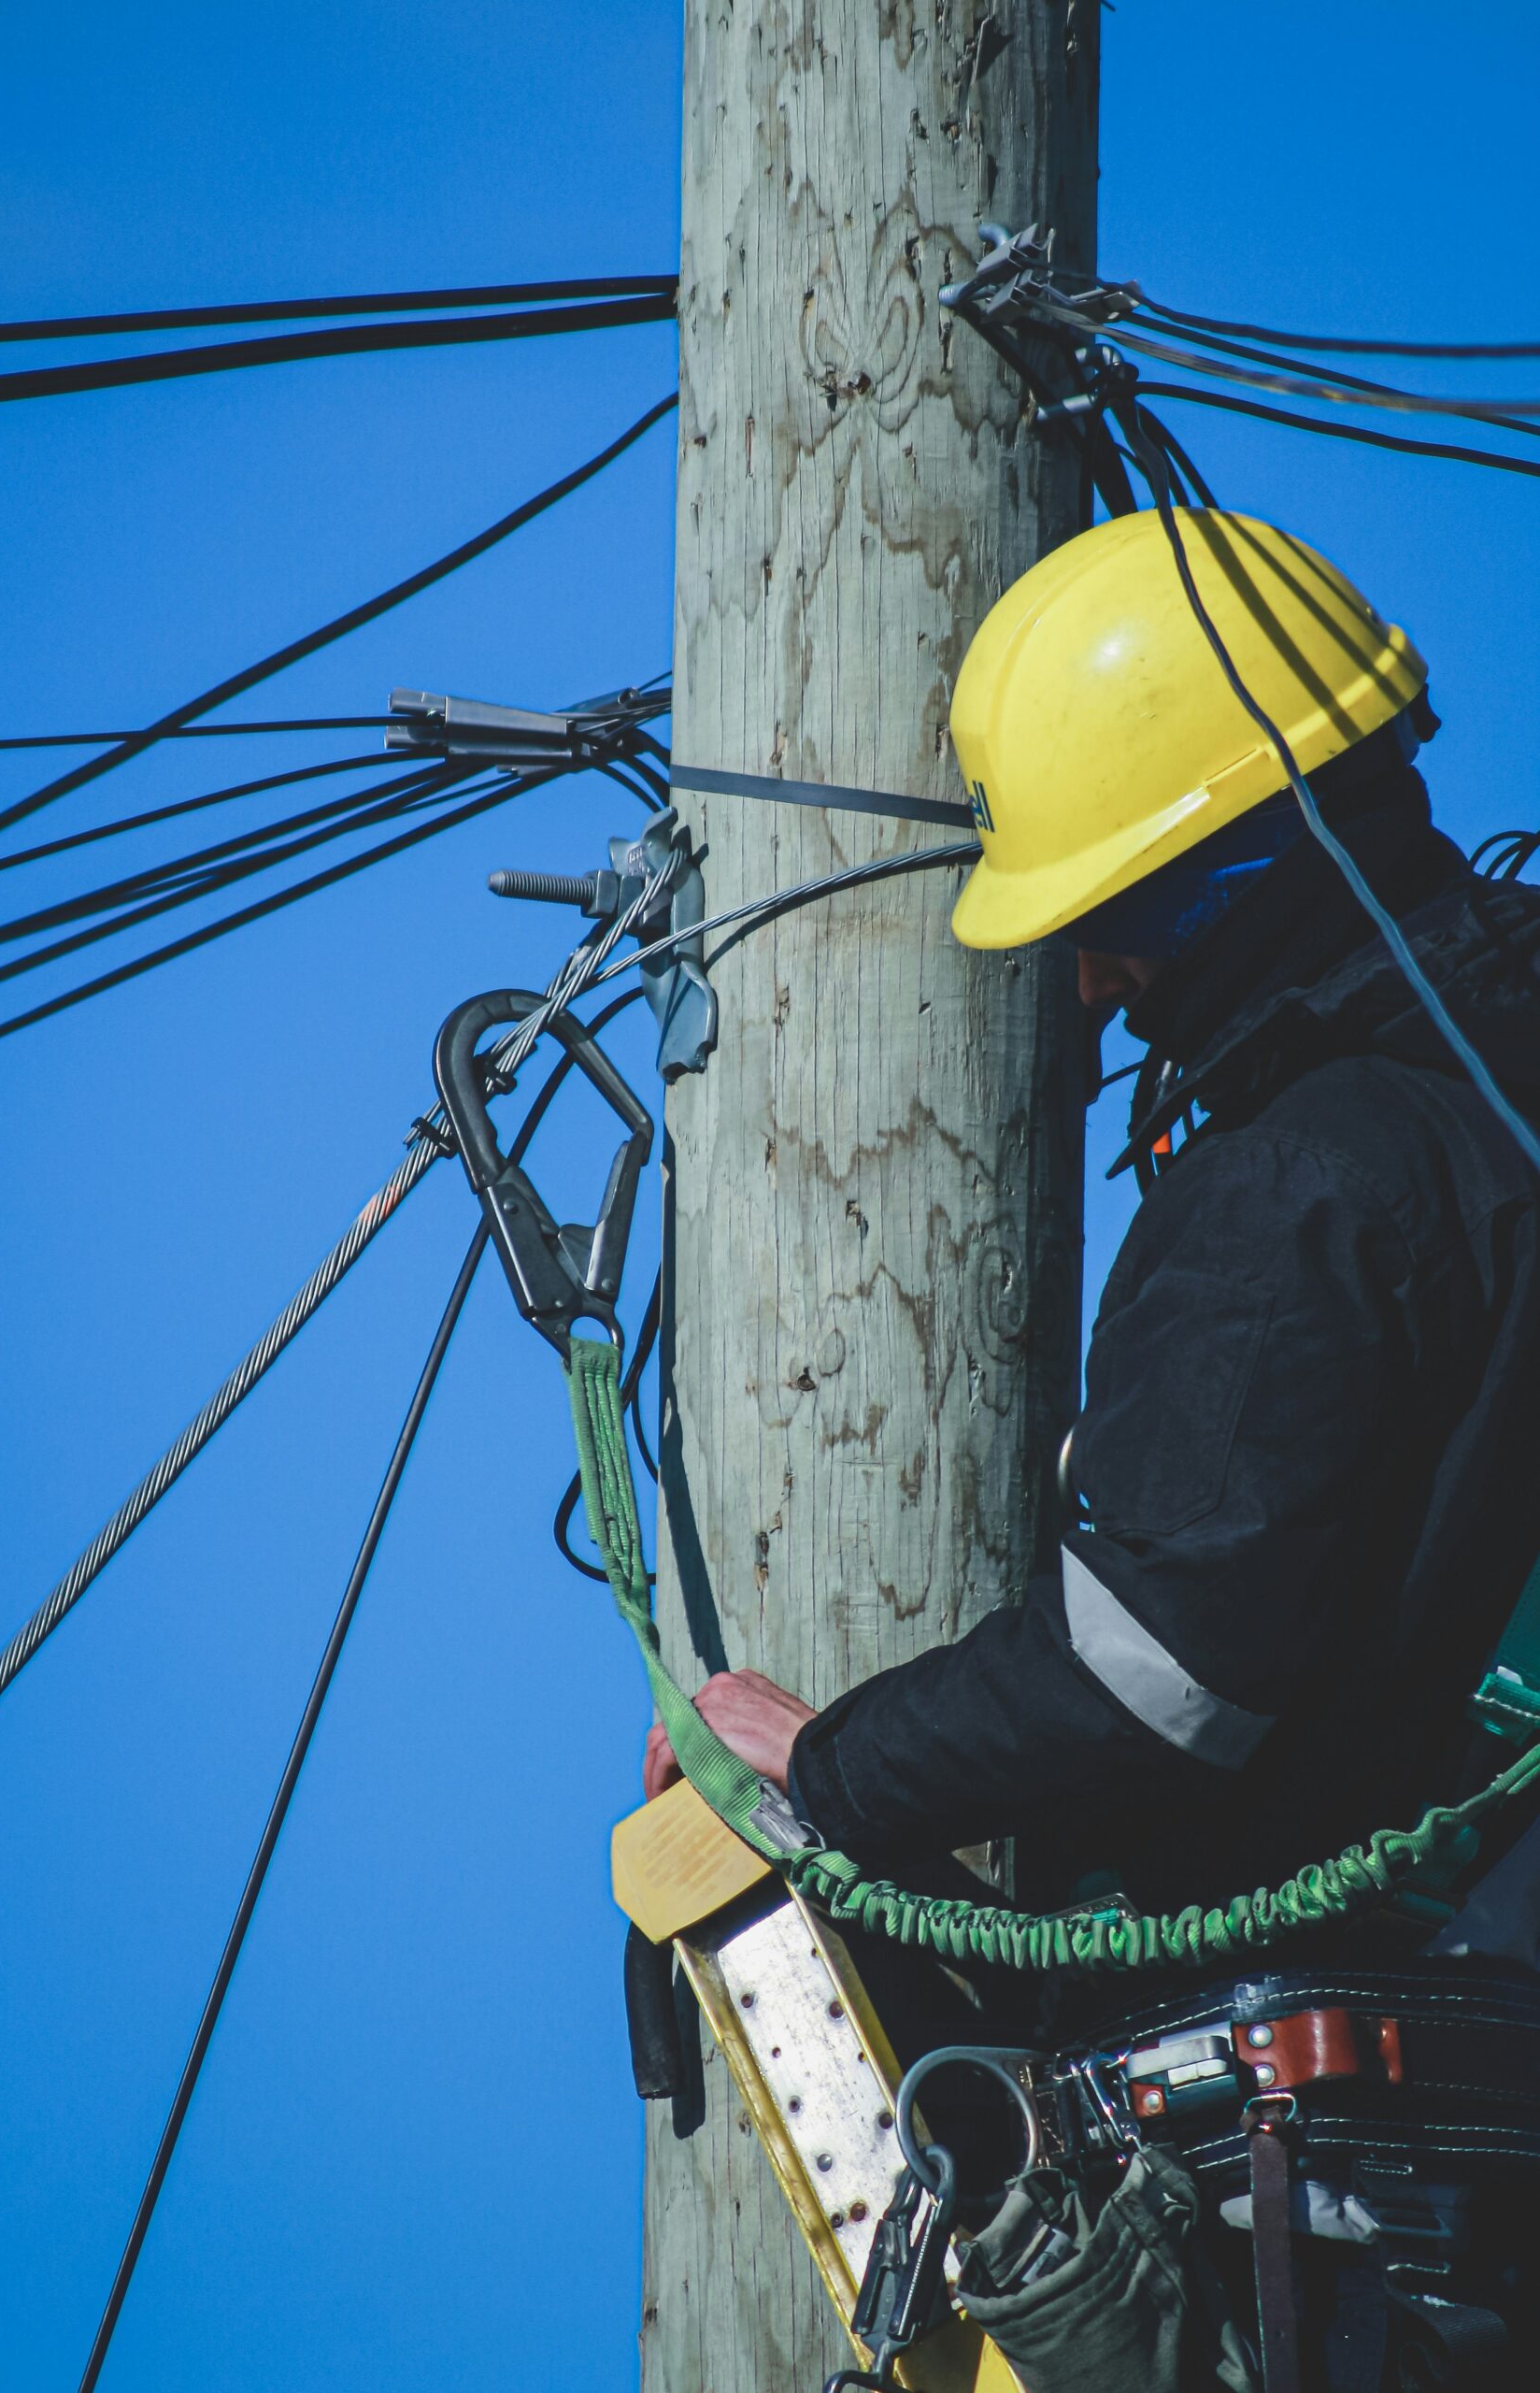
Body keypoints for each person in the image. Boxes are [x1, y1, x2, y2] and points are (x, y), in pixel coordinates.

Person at [641, 509, 1540, 2386]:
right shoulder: (1494, 1077)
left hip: (1373, 2179)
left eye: (1100, 919)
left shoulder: (1301, 1176)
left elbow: (1158, 1672)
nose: (1082, 986)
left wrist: (828, 1761)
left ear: (1221, 875)